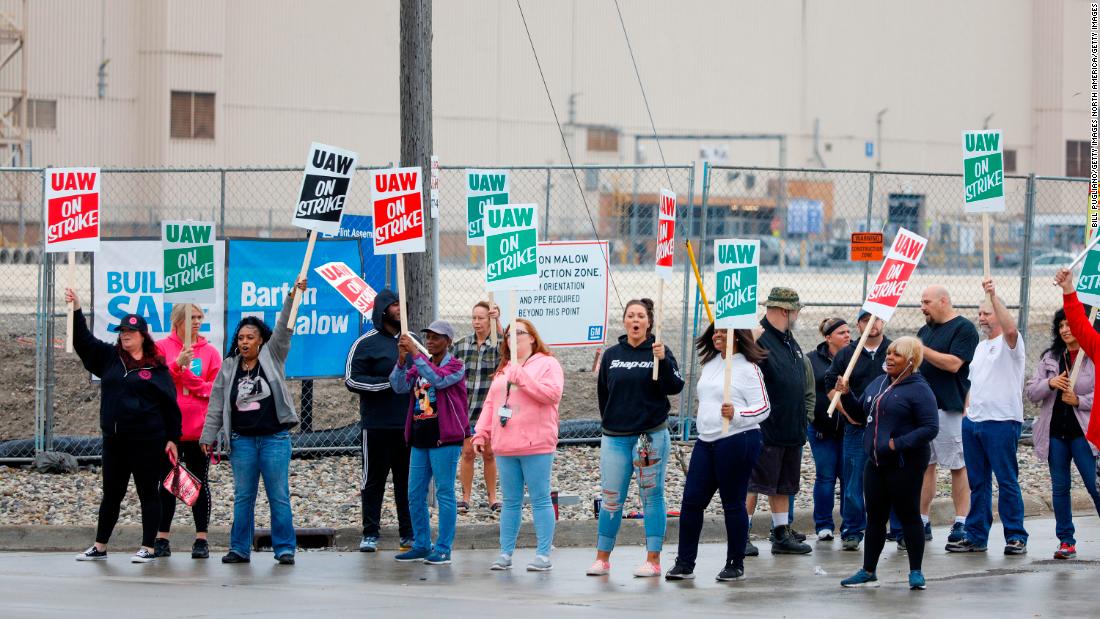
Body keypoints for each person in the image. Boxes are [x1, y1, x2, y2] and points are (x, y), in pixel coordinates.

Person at [67, 289, 182, 564]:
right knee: (112, 494)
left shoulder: (156, 367)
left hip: (147, 442)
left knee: (147, 493)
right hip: (115, 441)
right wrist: (76, 309)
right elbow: (84, 342)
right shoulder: (110, 358)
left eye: (131, 332)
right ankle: (99, 545)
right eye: (122, 332)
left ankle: (148, 547)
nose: (125, 335)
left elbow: (170, 405)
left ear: (143, 335)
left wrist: (172, 439)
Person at [200, 277, 306, 566]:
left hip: (274, 440)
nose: (244, 342)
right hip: (242, 442)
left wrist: (292, 297)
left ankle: (285, 548)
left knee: (279, 497)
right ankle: (239, 549)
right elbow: (217, 403)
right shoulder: (229, 366)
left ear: (261, 340)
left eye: (250, 337)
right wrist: (208, 436)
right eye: (241, 338)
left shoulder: (273, 356)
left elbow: (285, 328)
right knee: (243, 497)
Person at [665, 323, 770, 582]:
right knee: (691, 502)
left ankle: (735, 563)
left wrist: (738, 414)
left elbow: (764, 408)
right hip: (706, 440)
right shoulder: (711, 364)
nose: (717, 335)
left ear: (738, 336)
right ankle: (685, 563)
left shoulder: (748, 369)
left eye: (724, 331)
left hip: (737, 439)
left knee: (732, 503)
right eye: (715, 331)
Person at [588, 298, 685, 578]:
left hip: (650, 437)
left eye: (640, 316)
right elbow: (603, 394)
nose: (635, 320)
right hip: (616, 438)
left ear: (649, 321)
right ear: (624, 321)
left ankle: (653, 559)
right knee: (610, 497)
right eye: (631, 316)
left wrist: (663, 360)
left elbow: (675, 386)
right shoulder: (611, 355)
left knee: (651, 497)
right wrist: (612, 422)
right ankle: (602, 557)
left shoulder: (659, 352)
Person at [834, 336, 939, 590]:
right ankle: (868, 570)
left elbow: (930, 428)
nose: (889, 357)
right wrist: (846, 395)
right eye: (889, 353)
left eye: (897, 355)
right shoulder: (879, 383)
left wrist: (897, 444)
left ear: (911, 361)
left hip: (905, 463)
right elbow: (860, 415)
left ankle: (916, 572)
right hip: (875, 463)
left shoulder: (919, 389)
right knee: (875, 518)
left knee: (909, 515)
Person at [473, 319, 564, 572]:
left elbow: (551, 395)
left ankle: (543, 554)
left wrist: (523, 378)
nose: (513, 338)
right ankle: (505, 552)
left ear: (532, 337)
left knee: (540, 498)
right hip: (506, 445)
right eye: (509, 335)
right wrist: (481, 432)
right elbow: (491, 403)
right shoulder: (504, 369)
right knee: (511, 501)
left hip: (536, 443)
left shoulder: (548, 363)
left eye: (519, 334)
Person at [946, 279, 1028, 555]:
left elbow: (1012, 328)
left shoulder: (1010, 344)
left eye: (987, 313)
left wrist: (994, 297)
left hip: (1002, 421)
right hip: (975, 423)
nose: (981, 318)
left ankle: (1015, 535)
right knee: (977, 482)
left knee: (1006, 480)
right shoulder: (980, 348)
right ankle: (976, 534)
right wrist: (968, 412)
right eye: (979, 313)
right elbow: (973, 384)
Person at [390, 320, 469, 565]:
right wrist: (402, 361)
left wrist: (415, 354)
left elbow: (438, 380)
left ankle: (444, 547)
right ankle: (422, 543)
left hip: (445, 438)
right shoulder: (420, 365)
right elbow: (399, 385)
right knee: (414, 493)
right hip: (420, 437)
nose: (431, 341)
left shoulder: (456, 366)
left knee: (445, 493)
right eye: (428, 337)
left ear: (449, 342)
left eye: (437, 337)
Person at [1025, 306, 1100, 559]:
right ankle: (1066, 541)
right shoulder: (1051, 357)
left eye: (1070, 324)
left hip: (1084, 434)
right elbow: (1032, 392)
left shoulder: (1093, 355)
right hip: (1055, 433)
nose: (1065, 329)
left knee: (1095, 485)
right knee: (1060, 489)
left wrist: (1079, 400)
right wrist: (1050, 383)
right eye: (1061, 326)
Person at [344, 289, 414, 552]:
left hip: (407, 427)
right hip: (376, 426)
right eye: (395, 304)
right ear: (383, 309)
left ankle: (408, 533)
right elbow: (352, 379)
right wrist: (390, 384)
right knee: (373, 480)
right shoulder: (365, 343)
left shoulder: (413, 341)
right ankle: (370, 533)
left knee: (406, 481)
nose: (400, 309)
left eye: (402, 304)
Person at [745, 287, 813, 555]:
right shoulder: (759, 338)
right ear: (786, 310)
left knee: (784, 484)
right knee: (754, 484)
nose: (797, 315)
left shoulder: (788, 340)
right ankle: (741, 532)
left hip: (790, 427)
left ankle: (781, 532)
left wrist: (803, 418)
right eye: (795, 310)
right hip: (766, 428)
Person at [153, 303, 222, 560]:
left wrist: (184, 376)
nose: (196, 321)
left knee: (199, 483)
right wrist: (175, 367)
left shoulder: (211, 353)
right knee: (168, 483)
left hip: (197, 430)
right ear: (176, 321)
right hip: (169, 431)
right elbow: (157, 383)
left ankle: (201, 538)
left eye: (199, 317)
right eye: (190, 317)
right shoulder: (161, 348)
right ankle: (162, 537)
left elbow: (211, 390)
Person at [916, 285, 978, 543]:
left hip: (949, 408)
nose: (922, 307)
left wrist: (920, 350)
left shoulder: (964, 329)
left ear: (943, 301)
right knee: (925, 466)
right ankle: (922, 520)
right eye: (921, 302)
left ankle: (961, 521)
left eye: (926, 301)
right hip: (922, 411)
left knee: (957, 465)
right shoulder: (924, 332)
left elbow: (954, 364)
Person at [825, 311, 890, 551]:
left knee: (893, 479)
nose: (872, 324)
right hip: (857, 428)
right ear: (859, 325)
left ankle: (900, 530)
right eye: (865, 320)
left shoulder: (894, 350)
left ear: (883, 322)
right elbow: (830, 384)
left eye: (876, 319)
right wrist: (847, 412)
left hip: (887, 428)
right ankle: (852, 530)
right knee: (853, 481)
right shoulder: (846, 354)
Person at [453, 301, 502, 514]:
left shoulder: (498, 345)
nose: (476, 322)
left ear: (489, 320)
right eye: (474, 318)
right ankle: (465, 497)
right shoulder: (462, 345)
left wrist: (499, 321)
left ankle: (492, 497)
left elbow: (510, 350)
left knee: (489, 453)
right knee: (467, 453)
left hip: (489, 409)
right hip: (466, 409)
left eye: (481, 318)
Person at [806, 317, 850, 543]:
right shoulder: (812, 360)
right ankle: (823, 525)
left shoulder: (854, 357)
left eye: (848, 331)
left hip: (849, 428)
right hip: (821, 430)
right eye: (841, 332)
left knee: (848, 477)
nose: (847, 335)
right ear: (828, 337)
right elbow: (807, 391)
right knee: (825, 476)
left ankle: (849, 525)